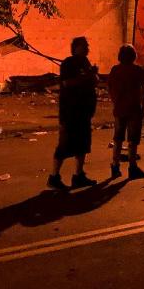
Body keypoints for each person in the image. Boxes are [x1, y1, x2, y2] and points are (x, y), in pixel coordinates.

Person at [49, 36, 99, 190]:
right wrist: (87, 77)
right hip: (71, 111)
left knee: (83, 144)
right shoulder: (68, 63)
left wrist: (93, 76)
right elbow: (67, 82)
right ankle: (54, 177)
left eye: (87, 46)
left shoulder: (85, 62)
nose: (87, 48)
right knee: (64, 145)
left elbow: (92, 80)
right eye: (84, 46)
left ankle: (79, 175)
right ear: (75, 47)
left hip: (84, 111)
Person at [107, 44, 144, 180]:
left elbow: (110, 88)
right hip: (134, 108)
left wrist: (116, 102)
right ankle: (132, 166)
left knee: (118, 138)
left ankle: (115, 165)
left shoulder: (115, 70)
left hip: (120, 108)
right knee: (133, 139)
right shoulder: (137, 70)